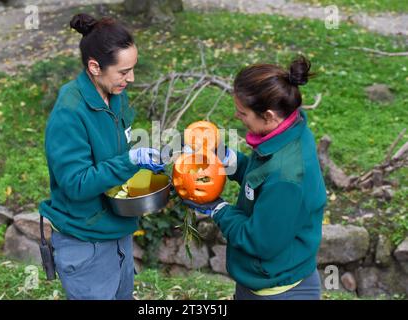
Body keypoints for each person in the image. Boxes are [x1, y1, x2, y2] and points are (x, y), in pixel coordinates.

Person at [39, 13, 164, 300]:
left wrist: (145, 167)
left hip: (117, 229)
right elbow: (76, 184)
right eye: (123, 71)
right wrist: (130, 161)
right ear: (95, 67)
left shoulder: (116, 95)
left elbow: (117, 149)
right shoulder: (69, 113)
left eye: (133, 69)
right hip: (86, 240)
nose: (130, 78)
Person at [183, 56, 327, 300]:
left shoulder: (286, 176)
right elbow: (261, 179)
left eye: (243, 113)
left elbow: (259, 241)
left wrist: (218, 209)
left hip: (277, 288)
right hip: (261, 280)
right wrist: (226, 158)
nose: (237, 117)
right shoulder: (287, 132)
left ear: (269, 115)